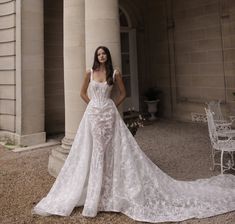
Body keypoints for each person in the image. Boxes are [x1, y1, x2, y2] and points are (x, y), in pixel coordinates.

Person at [32, 46, 235, 223]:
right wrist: (94, 105)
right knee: (94, 151)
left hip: (109, 116)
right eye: (99, 53)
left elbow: (123, 93)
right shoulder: (90, 71)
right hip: (94, 115)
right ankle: (92, 196)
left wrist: (111, 105)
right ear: (96, 56)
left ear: (107, 56)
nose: (101, 56)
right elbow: (82, 93)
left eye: (104, 54)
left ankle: (110, 194)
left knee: (112, 151)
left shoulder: (115, 73)